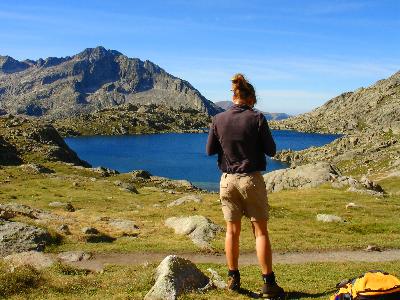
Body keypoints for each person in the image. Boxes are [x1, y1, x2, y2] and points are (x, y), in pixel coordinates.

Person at [206, 73, 284, 298]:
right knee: (260, 232)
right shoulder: (257, 118)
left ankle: (233, 278)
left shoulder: (218, 119)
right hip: (251, 180)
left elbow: (210, 150)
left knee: (232, 231)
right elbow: (271, 150)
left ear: (234, 96)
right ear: (250, 99)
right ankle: (268, 284)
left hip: (227, 181)